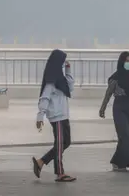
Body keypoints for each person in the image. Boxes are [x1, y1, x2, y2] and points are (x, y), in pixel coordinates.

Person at [32, 49, 76, 182]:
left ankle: (41, 162)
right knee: (60, 144)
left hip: (64, 115)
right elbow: (44, 98)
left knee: (66, 142)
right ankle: (60, 173)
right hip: (56, 117)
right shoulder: (51, 81)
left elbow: (71, 88)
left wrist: (68, 70)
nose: (64, 63)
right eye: (63, 61)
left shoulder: (61, 79)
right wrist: (40, 116)